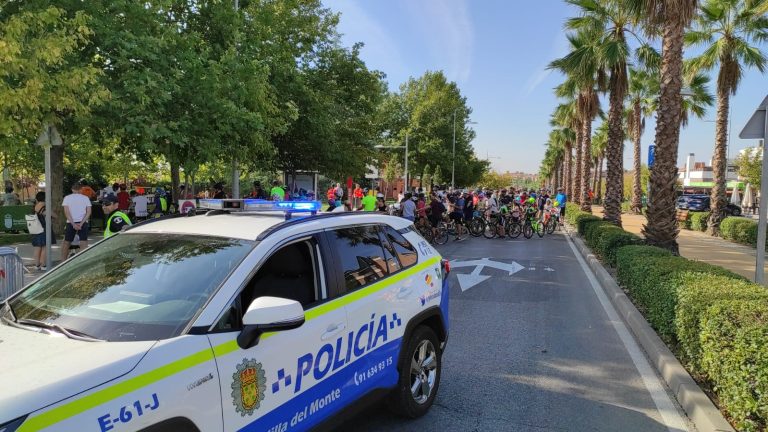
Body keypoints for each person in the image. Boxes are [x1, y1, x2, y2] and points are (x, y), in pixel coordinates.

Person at [61, 182, 92, 260]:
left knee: (66, 242)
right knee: (83, 242)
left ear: (72, 189)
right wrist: (81, 223)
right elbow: (88, 212)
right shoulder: (85, 198)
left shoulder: (67, 198)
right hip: (83, 222)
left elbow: (66, 212)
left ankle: (63, 261)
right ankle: (83, 261)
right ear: (81, 189)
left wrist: (73, 224)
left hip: (70, 223)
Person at [31, 191, 55, 271]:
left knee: (37, 247)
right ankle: (43, 264)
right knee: (45, 246)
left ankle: (37, 265)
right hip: (44, 228)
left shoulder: (35, 206)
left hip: (36, 228)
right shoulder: (44, 205)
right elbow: (53, 215)